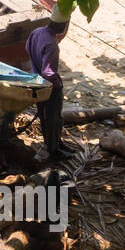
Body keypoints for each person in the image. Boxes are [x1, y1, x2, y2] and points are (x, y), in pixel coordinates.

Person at [26, 11, 73, 159]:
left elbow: (28, 48)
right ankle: (54, 150)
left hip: (36, 81)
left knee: (44, 116)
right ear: (61, 27)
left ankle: (55, 142)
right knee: (54, 118)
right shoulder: (52, 45)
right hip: (49, 86)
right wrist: (57, 84)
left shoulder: (37, 32)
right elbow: (48, 72)